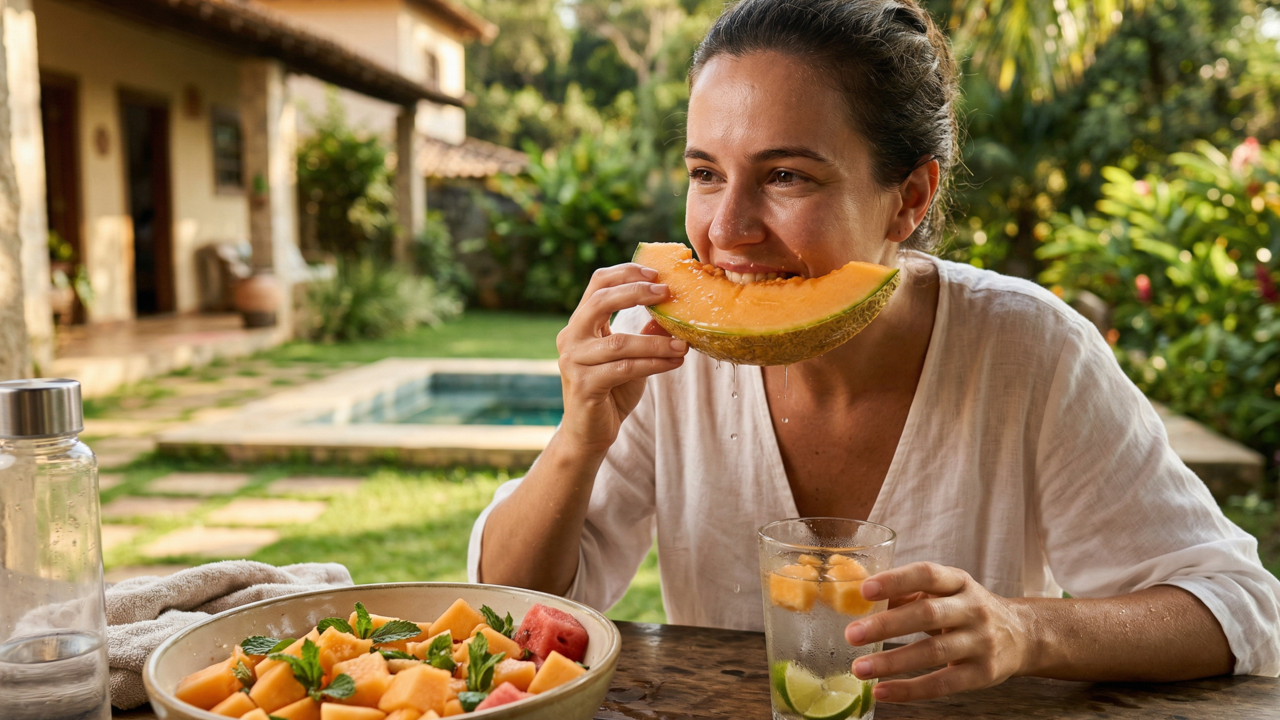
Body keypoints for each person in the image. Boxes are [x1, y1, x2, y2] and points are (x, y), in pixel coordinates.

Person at [468, 0, 1280, 701]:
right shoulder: (668, 359)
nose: (726, 229)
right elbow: (510, 615)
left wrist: (1024, 630)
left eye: (786, 176)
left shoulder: (1028, 348)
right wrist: (580, 438)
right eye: (706, 172)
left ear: (909, 199)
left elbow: (1240, 608)